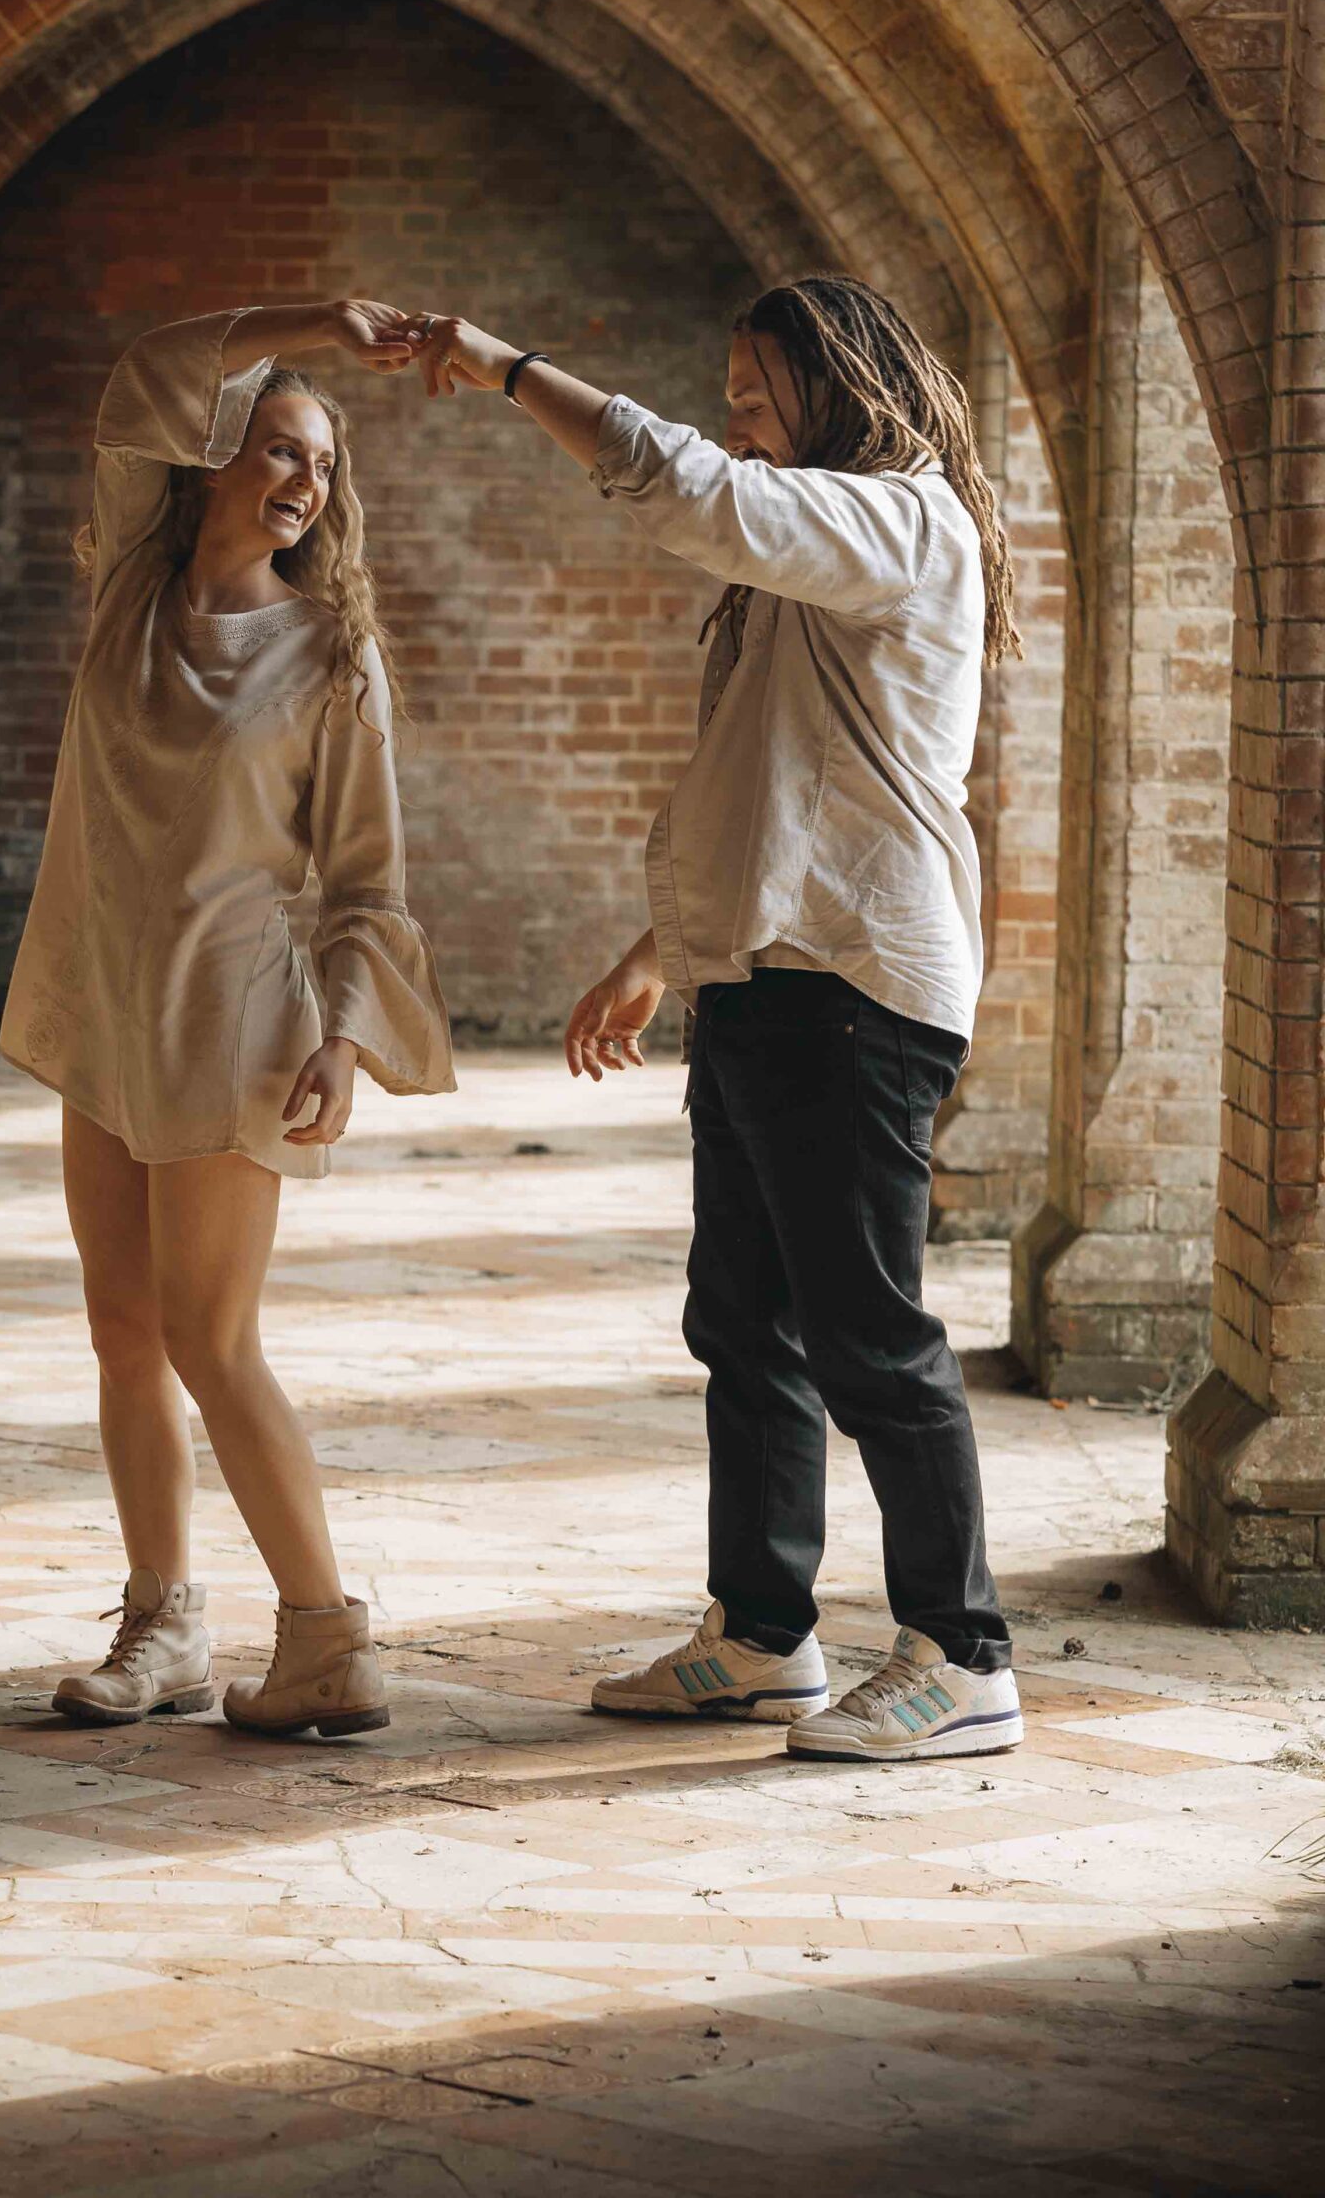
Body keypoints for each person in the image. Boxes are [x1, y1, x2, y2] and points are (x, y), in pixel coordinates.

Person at [409, 278, 1023, 1763]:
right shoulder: (813, 552)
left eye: (756, 389)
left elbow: (688, 484)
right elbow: (768, 780)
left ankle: (966, 1656)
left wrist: (502, 369)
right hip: (764, 971)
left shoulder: (896, 523)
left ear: (835, 385)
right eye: (732, 390)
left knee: (868, 1332)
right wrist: (659, 950)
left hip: (854, 984)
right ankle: (761, 1639)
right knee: (742, 1322)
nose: (738, 415)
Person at [0, 302, 455, 1740]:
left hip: (236, 1012)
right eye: (271, 445)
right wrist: (313, 325)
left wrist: (344, 1035)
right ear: (208, 463)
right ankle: (165, 1626)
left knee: (211, 1332)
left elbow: (369, 877)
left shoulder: (334, 653)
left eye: (319, 462)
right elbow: (143, 370)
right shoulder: (131, 583)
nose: (301, 478)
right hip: (104, 999)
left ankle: (325, 1635)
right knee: (123, 1328)